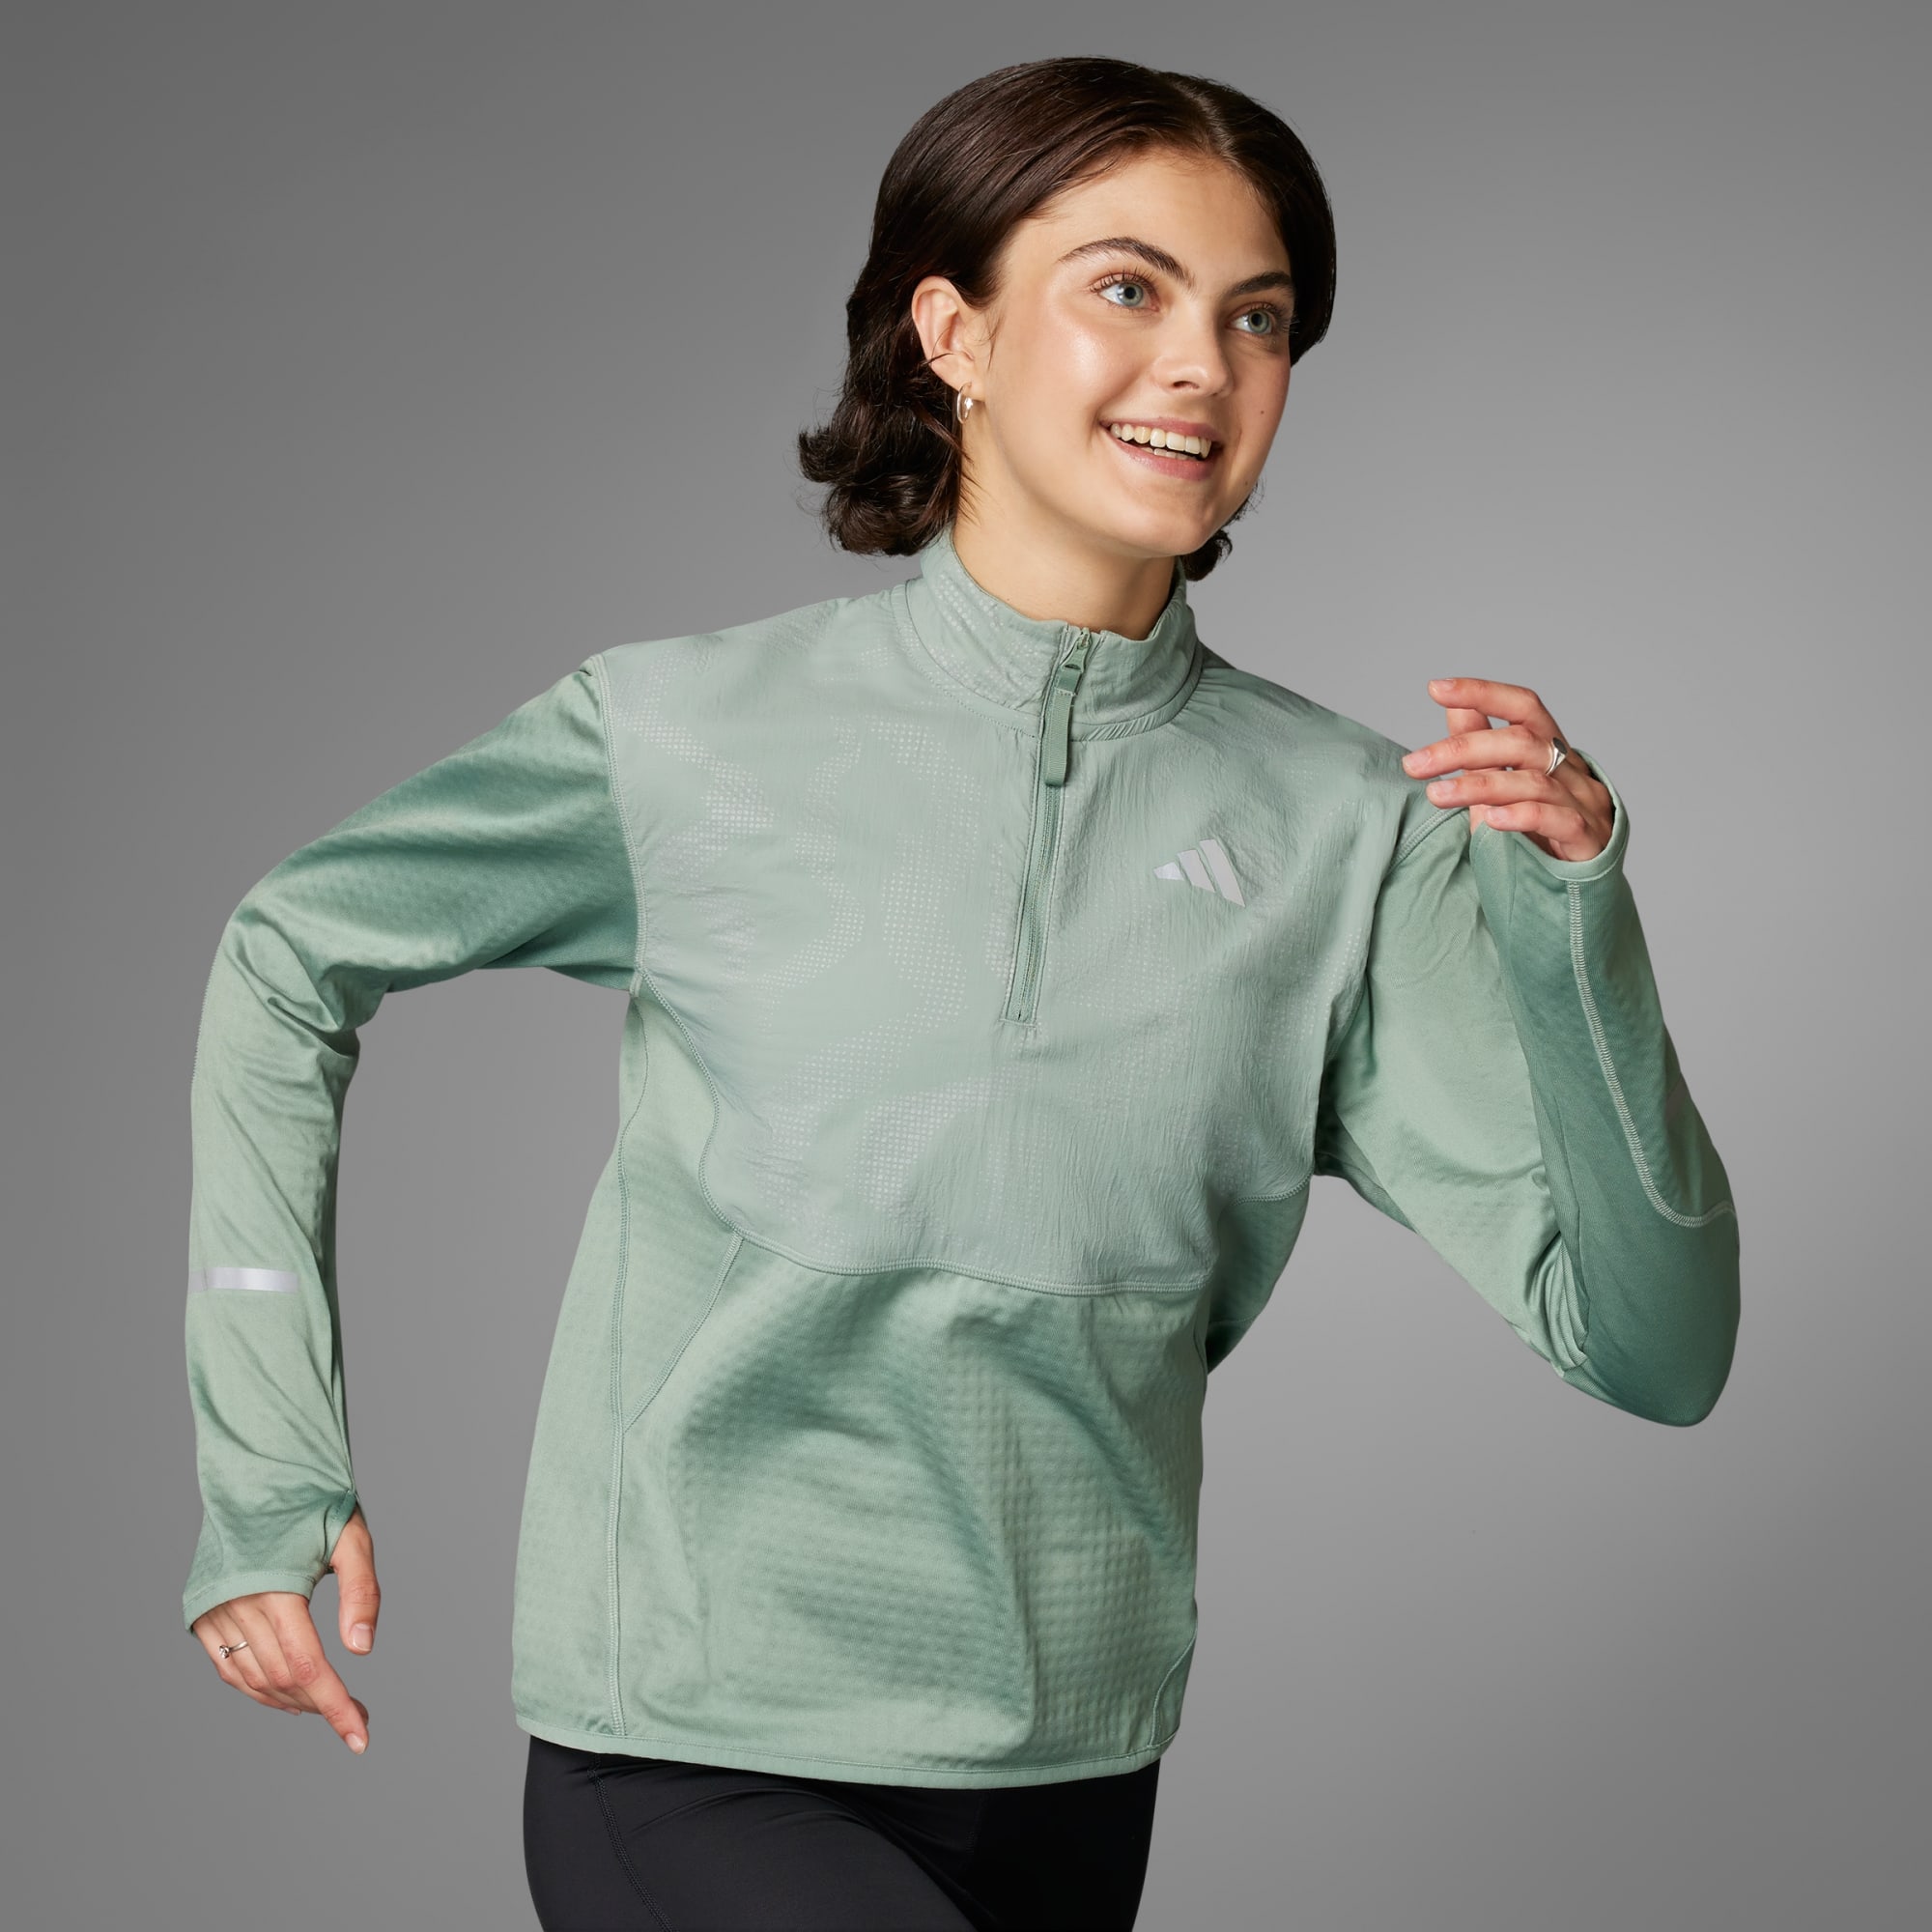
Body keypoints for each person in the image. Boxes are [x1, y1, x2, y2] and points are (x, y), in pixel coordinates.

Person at [179, 55, 1740, 1932]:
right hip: (696, 1743)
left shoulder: (1350, 831)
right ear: (955, 334)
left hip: (1075, 1773)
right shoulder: (682, 736)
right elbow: (289, 951)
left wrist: (1575, 918)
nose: (1200, 364)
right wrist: (269, 1469)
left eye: (1257, 319)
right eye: (1125, 288)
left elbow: (1656, 1349)